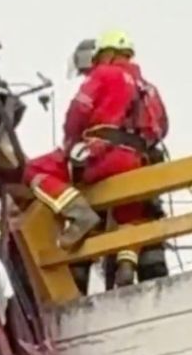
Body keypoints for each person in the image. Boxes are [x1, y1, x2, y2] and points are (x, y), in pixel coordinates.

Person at [22, 30, 167, 287]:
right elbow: (162, 127)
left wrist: (73, 143)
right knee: (130, 217)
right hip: (139, 162)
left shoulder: (104, 74)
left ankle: (79, 213)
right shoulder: (150, 88)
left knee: (31, 169)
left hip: (104, 155)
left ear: (108, 53)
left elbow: (78, 111)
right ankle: (125, 264)